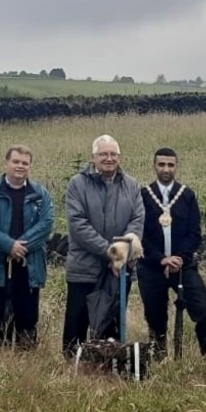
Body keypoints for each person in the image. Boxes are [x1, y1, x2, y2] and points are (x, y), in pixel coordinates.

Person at [61, 134, 144, 358]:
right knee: (77, 323)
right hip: (84, 268)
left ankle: (108, 366)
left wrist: (122, 253)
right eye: (103, 154)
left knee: (112, 322)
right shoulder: (77, 184)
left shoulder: (132, 185)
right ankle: (72, 368)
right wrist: (111, 253)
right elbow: (78, 224)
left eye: (113, 154)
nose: (109, 158)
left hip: (120, 270)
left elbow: (137, 221)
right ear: (93, 157)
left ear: (119, 157)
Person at [0, 144, 55, 350]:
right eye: (16, 162)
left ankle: (25, 358)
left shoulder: (40, 194)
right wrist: (8, 245)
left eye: (25, 163)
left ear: (30, 166)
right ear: (6, 163)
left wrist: (21, 246)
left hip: (29, 265)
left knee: (27, 316)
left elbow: (46, 223)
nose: (20, 166)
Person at [137, 147, 206, 360]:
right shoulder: (143, 195)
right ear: (154, 166)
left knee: (204, 311)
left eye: (170, 165)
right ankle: (159, 359)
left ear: (176, 167)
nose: (166, 169)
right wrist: (161, 259)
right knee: (155, 318)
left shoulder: (187, 195)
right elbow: (139, 234)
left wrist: (179, 258)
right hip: (151, 267)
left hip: (183, 266)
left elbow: (194, 233)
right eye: (161, 164)